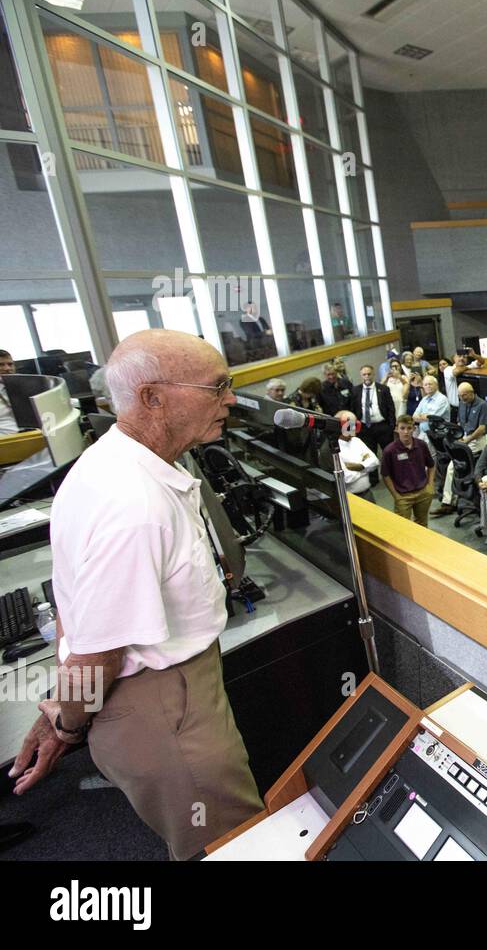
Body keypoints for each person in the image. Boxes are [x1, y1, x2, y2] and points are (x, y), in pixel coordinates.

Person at [9, 330, 262, 859]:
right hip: (164, 710)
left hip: (163, 696)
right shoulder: (132, 505)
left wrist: (61, 709)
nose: (231, 399)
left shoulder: (115, 464)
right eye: (218, 386)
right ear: (152, 397)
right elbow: (98, 652)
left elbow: (78, 610)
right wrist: (65, 723)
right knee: (232, 846)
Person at [431, 382, 487, 517]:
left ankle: (450, 502)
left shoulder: (482, 405)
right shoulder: (462, 403)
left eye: (464, 395)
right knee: (452, 467)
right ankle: (448, 503)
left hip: (476, 440)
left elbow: (482, 429)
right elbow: (460, 423)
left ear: (472, 392)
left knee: (454, 467)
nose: (462, 398)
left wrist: (467, 440)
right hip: (463, 439)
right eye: (460, 396)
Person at [382, 415, 436, 525]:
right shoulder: (389, 451)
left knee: (422, 524)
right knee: (403, 527)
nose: (406, 432)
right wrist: (395, 495)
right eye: (402, 428)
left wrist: (430, 486)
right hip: (403, 496)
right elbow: (385, 475)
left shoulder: (421, 445)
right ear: (396, 429)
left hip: (423, 493)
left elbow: (431, 465)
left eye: (409, 428)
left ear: (414, 429)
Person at [348, 363, 396, 455]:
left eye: (369, 374)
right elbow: (352, 409)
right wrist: (353, 429)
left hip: (383, 427)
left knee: (389, 454)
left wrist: (391, 426)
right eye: (364, 374)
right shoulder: (355, 390)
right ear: (361, 375)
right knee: (369, 456)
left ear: (373, 374)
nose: (367, 377)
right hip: (365, 428)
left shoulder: (383, 389)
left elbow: (391, 408)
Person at [334, 410, 379, 497]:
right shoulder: (334, 446)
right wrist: (366, 468)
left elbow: (375, 462)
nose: (353, 429)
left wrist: (360, 467)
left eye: (354, 425)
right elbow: (347, 477)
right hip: (350, 497)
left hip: (367, 493)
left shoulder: (356, 441)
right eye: (349, 425)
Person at [411, 374, 451, 442]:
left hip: (436, 435)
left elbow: (432, 418)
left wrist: (422, 416)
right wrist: (425, 416)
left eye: (430, 384)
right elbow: (414, 417)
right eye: (425, 385)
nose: (428, 386)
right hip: (423, 433)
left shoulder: (442, 399)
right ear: (423, 386)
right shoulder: (424, 399)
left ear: (436, 385)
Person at [0, 348, 16, 433]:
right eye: (1, 365)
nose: (7, 368)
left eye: (10, 364)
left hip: (33, 436)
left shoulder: (25, 386)